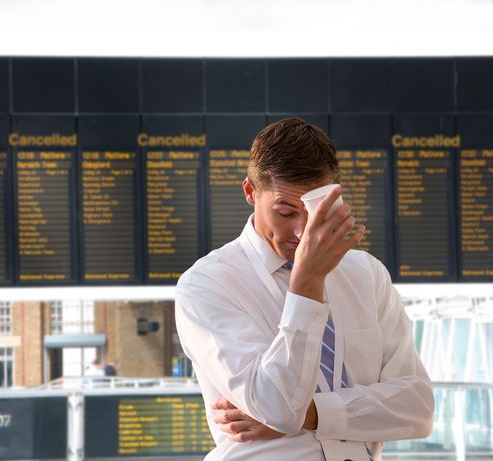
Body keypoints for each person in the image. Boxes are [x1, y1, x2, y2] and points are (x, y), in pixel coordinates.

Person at [175, 118, 434, 461]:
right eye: (285, 211)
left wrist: (311, 413)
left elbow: (417, 409)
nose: (301, 231)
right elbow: (278, 406)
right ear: (250, 192)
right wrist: (307, 283)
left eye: (314, 210)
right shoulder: (207, 284)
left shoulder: (366, 274)